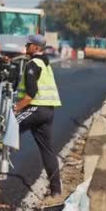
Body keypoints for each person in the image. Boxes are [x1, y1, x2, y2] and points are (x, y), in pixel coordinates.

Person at [14, 34, 62, 197]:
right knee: (47, 150)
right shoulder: (45, 62)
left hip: (37, 109)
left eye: (27, 46)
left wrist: (16, 108)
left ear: (34, 47)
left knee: (7, 128)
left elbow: (30, 95)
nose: (25, 48)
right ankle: (56, 190)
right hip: (48, 111)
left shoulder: (32, 64)